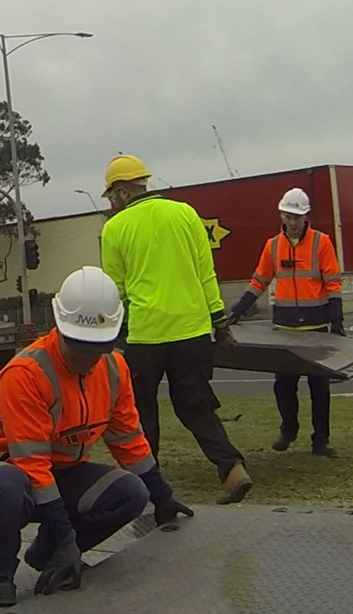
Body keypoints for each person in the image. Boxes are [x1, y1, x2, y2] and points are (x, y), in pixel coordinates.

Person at [0, 267, 195, 606]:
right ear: (58, 328)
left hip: (59, 470)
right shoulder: (26, 374)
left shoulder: (114, 369)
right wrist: (66, 534)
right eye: (78, 345)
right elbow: (32, 464)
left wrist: (162, 495)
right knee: (6, 483)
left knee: (130, 492)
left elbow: (127, 438)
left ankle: (49, 554)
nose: (86, 357)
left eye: (96, 346)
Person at [98, 155, 253, 505]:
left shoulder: (115, 228)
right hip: (192, 331)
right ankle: (232, 469)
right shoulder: (186, 214)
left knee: (140, 415)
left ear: (122, 192)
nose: (111, 202)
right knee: (196, 406)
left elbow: (115, 289)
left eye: (111, 196)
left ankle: (146, 488)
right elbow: (206, 273)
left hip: (145, 337)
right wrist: (220, 322)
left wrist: (113, 333)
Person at [227, 188, 343, 457]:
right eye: (288, 216)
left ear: (306, 217)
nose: (292, 222)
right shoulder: (272, 246)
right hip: (284, 331)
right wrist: (239, 309)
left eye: (297, 217)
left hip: (316, 330)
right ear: (281, 215)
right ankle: (288, 429)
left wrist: (336, 319)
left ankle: (321, 441)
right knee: (283, 386)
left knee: (319, 389)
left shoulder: (321, 242)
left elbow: (333, 282)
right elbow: (260, 281)